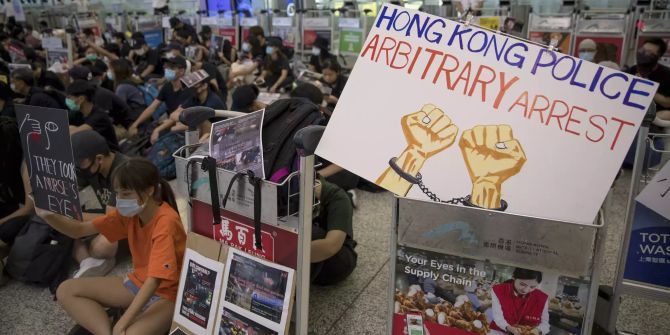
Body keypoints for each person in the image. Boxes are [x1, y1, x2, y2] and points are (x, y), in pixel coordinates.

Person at [35, 157, 186, 335]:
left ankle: (120, 323)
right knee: (65, 290)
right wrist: (48, 216)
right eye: (117, 193)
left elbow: (154, 281)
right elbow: (79, 230)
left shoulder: (166, 222)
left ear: (149, 191)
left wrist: (123, 323)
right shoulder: (130, 215)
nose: (119, 199)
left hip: (169, 296)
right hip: (138, 284)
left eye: (126, 193)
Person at [70, 130, 130, 278]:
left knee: (102, 247)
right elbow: (70, 197)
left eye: (81, 163)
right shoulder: (90, 168)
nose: (79, 168)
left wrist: (76, 218)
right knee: (62, 226)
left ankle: (94, 258)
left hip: (128, 225)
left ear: (99, 159)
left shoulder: (123, 170)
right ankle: (88, 262)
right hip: (109, 216)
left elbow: (113, 219)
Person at [129, 56, 194, 138]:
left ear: (181, 71)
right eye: (167, 67)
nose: (167, 70)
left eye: (172, 67)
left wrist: (158, 130)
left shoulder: (188, 90)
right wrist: (135, 124)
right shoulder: (167, 87)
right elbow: (152, 107)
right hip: (170, 123)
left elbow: (179, 114)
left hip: (182, 127)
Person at [311, 176, 357, 285]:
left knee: (309, 233)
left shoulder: (337, 197)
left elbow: (331, 246)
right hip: (306, 258)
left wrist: (286, 255)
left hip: (336, 262)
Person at [489, 268, 550, 335]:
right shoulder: (498, 290)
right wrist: (509, 328)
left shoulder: (542, 298)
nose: (526, 290)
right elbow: (498, 317)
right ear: (514, 278)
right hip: (498, 332)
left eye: (532, 287)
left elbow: (545, 325)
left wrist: (537, 330)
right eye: (522, 284)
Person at [66, 80, 119, 151]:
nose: (67, 100)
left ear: (81, 99)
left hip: (111, 157)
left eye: (69, 97)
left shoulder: (99, 116)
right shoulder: (77, 113)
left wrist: (71, 128)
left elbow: (75, 133)